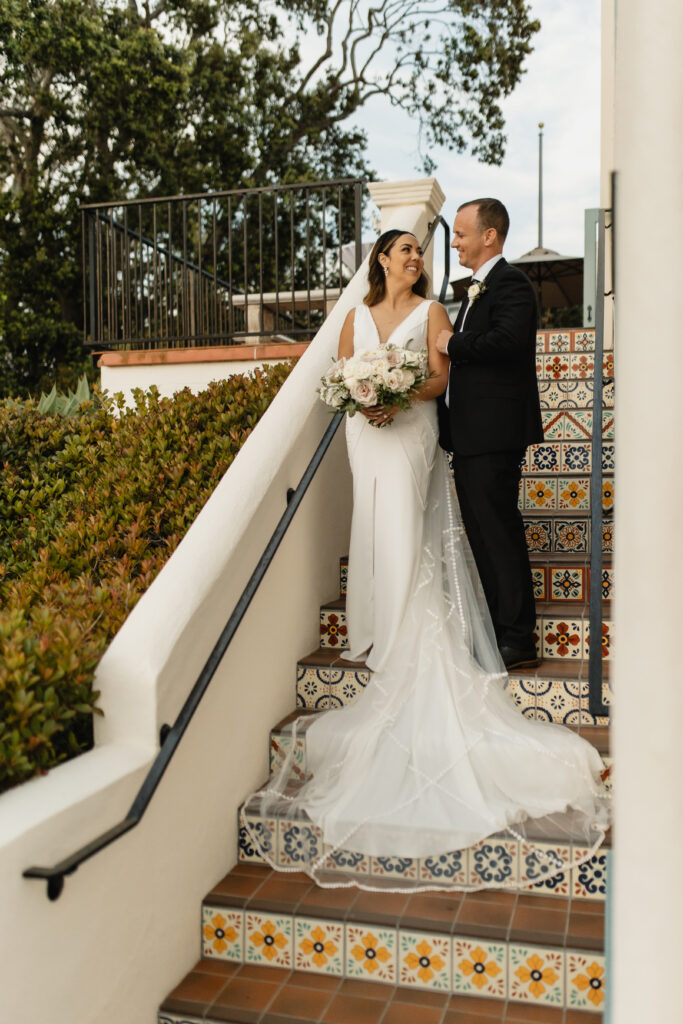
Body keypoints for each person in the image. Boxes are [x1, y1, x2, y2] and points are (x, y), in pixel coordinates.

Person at [241, 228, 609, 893]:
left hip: (410, 432)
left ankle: (410, 624)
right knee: (370, 524)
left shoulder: (436, 311)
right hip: (365, 436)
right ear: (381, 260)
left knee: (407, 526)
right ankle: (373, 624)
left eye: (422, 251)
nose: (416, 258)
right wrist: (362, 398)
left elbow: (439, 378)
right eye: (404, 250)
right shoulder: (354, 314)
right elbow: (340, 374)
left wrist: (393, 396)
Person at [436, 198, 543, 670]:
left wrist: (450, 343)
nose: (454, 241)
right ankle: (502, 630)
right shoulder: (475, 288)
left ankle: (519, 637)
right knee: (482, 534)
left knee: (498, 532)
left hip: (496, 434)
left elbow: (505, 342)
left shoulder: (512, 283)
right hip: (469, 435)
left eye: (460, 233)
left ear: (489, 236)